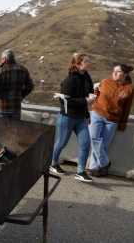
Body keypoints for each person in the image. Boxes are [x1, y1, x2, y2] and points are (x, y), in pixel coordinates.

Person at [49, 53, 95, 182]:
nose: (89, 63)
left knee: (86, 143)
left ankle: (80, 172)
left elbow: (88, 95)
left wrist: (87, 114)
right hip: (67, 117)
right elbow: (64, 101)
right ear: (77, 65)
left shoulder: (87, 78)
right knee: (62, 142)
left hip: (81, 118)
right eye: (86, 61)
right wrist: (84, 101)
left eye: (89, 61)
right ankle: (53, 163)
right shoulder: (70, 79)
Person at [88, 64, 134, 177]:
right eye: (114, 71)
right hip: (97, 113)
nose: (114, 73)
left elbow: (127, 107)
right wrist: (95, 98)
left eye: (118, 71)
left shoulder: (130, 89)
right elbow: (96, 93)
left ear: (125, 74)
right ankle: (105, 163)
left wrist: (123, 123)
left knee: (103, 144)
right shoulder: (105, 82)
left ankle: (95, 168)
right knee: (93, 137)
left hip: (113, 119)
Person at [0, 49, 34, 120]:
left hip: (2, 108)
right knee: (14, 130)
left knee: (1, 130)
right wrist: (22, 94)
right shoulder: (23, 70)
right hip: (16, 108)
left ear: (4, 59)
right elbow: (30, 86)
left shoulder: (0, 71)